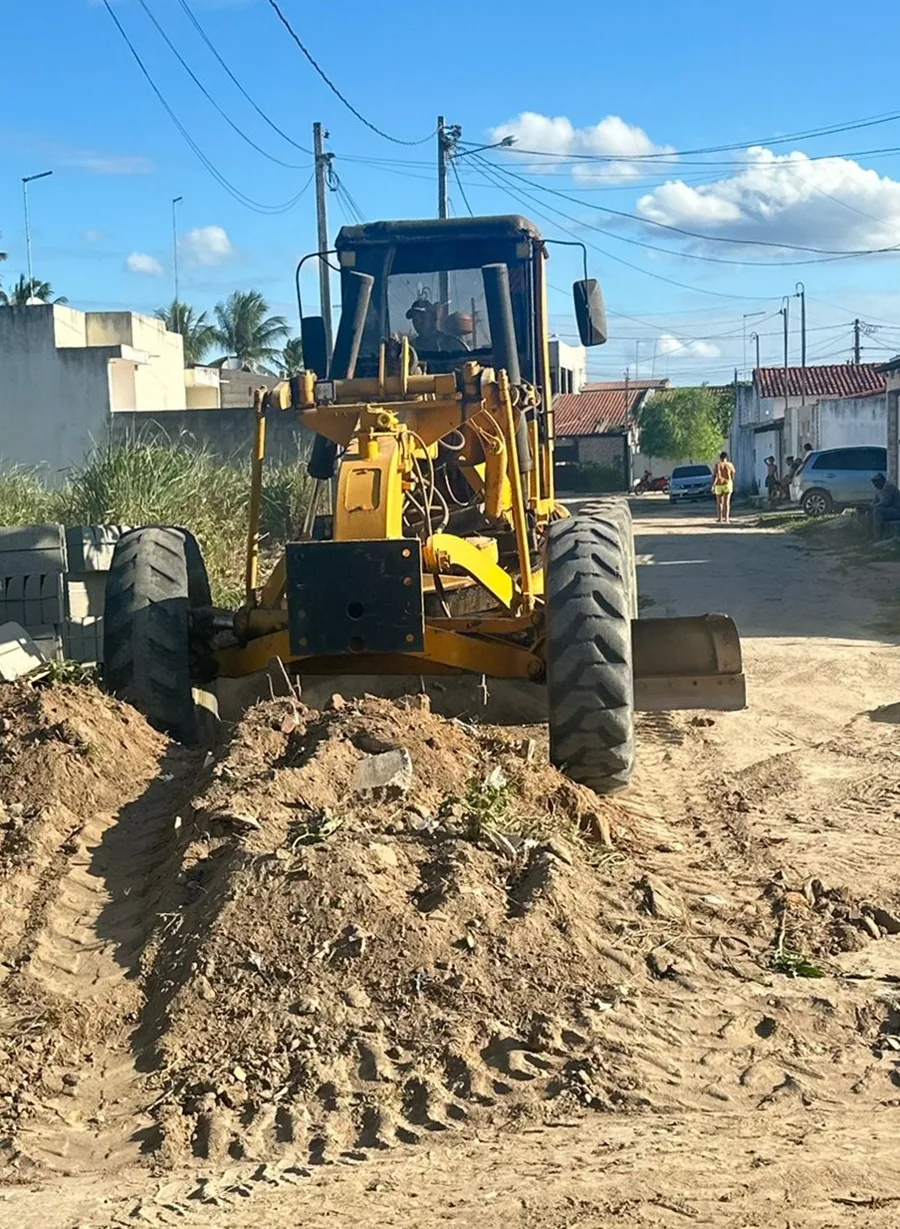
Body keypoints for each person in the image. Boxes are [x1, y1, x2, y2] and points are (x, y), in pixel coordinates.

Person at [871, 473, 900, 539]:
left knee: (877, 511)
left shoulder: (888, 487)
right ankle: (870, 535)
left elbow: (885, 502)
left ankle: (878, 537)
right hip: (890, 510)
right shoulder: (879, 489)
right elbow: (874, 501)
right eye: (874, 482)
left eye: (877, 481)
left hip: (897, 510)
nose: (875, 484)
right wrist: (868, 507)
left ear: (882, 481)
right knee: (870, 511)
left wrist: (874, 506)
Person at [712, 451, 736, 524]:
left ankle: (720, 518)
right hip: (727, 483)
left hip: (719, 484)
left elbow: (714, 475)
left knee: (719, 502)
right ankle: (727, 519)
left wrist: (713, 484)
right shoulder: (730, 465)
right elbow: (733, 474)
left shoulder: (717, 465)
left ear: (720, 458)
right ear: (726, 457)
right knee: (727, 502)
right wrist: (731, 481)